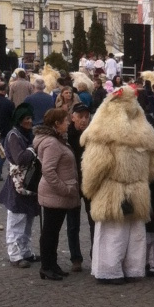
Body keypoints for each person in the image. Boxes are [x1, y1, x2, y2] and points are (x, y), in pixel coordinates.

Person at [80, 87, 154, 283]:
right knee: (135, 233)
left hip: (112, 189)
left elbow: (96, 166)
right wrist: (140, 180)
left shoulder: (104, 131)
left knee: (111, 233)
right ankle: (133, 269)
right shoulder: (145, 130)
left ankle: (110, 271)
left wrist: (90, 189)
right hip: (138, 190)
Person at [33, 108, 81, 282]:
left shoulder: (56, 140)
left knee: (52, 231)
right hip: (54, 193)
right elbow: (48, 170)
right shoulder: (52, 143)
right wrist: (65, 189)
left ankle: (52, 264)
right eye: (65, 121)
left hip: (56, 193)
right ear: (56, 124)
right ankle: (46, 266)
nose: (68, 123)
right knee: (50, 232)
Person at [0, 103, 40, 267]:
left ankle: (26, 252)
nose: (29, 121)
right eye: (26, 118)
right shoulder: (14, 136)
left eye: (30, 118)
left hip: (29, 182)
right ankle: (15, 255)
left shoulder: (28, 134)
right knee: (17, 219)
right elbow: (19, 158)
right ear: (19, 120)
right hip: (18, 183)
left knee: (28, 219)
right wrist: (32, 149)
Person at [67, 103, 92, 266]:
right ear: (72, 117)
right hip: (73, 183)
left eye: (86, 116)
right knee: (73, 223)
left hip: (90, 183)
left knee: (94, 220)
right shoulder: (66, 135)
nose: (83, 120)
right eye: (80, 116)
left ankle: (95, 254)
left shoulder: (93, 135)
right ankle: (76, 258)